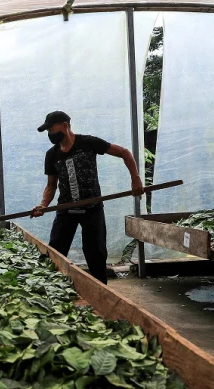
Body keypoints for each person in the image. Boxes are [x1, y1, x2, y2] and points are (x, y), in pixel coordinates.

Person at [31, 111, 144, 284]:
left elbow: (124, 152)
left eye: (51, 129)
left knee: (95, 253)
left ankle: (101, 290)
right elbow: (51, 185)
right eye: (48, 131)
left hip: (92, 208)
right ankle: (53, 287)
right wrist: (43, 204)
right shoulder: (52, 154)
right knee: (55, 251)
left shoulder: (88, 143)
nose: (50, 134)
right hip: (66, 209)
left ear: (65, 126)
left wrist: (135, 178)